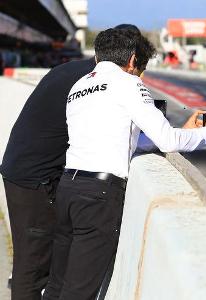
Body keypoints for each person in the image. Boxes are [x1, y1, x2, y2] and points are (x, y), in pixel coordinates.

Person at [43, 28, 206, 300]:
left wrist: (184, 132)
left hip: (67, 188)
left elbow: (122, 139)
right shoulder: (129, 83)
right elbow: (167, 140)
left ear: (97, 57)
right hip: (99, 195)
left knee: (57, 286)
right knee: (78, 292)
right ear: (132, 60)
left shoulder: (80, 85)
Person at [0, 24, 139, 300]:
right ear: (130, 57)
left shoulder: (73, 71)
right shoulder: (93, 81)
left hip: (23, 172)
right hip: (35, 181)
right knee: (33, 268)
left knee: (33, 264)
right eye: (137, 65)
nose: (136, 73)